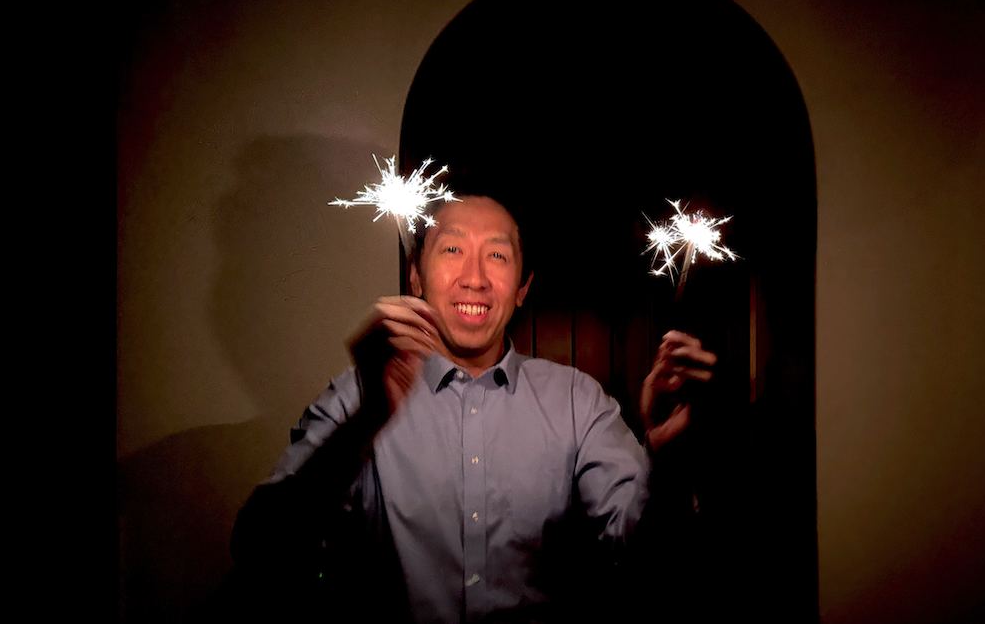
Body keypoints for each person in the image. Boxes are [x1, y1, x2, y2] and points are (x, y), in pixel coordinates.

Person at [229, 195, 716, 623]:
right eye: (453, 249)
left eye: (498, 256)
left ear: (522, 288)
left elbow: (646, 563)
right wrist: (367, 421)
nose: (475, 278)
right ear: (416, 276)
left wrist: (666, 460)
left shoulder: (577, 402)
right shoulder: (357, 396)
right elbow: (259, 550)